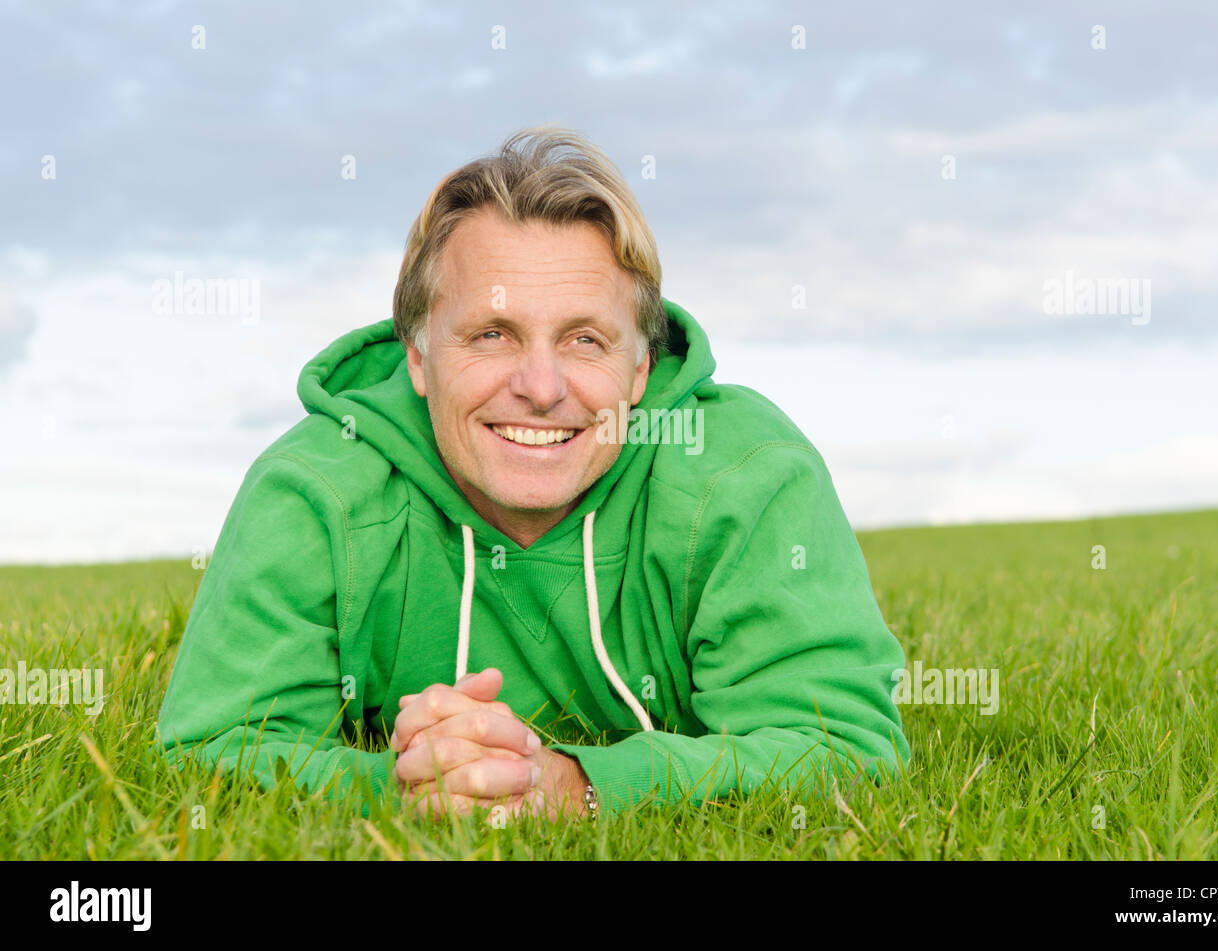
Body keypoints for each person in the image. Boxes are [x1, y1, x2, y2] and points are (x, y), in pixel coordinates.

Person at [155, 126, 910, 821]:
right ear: (418, 357)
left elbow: (845, 745)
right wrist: (407, 787)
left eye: (585, 339)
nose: (541, 386)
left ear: (641, 365)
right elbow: (211, 747)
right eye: (492, 334)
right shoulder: (314, 491)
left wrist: (572, 786)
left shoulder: (750, 477)